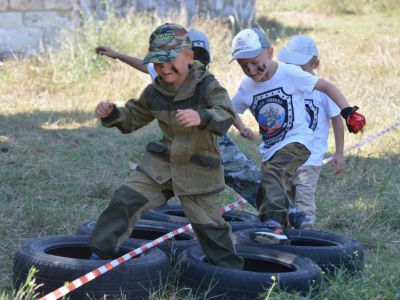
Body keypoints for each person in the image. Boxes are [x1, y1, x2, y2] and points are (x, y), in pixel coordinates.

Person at [89, 23, 244, 269]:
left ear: (189, 57)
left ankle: (234, 276)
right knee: (126, 199)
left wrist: (201, 117)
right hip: (162, 165)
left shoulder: (207, 85)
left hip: (198, 167)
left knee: (210, 229)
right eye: (158, 61)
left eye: (169, 60)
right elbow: (132, 118)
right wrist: (112, 114)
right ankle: (97, 257)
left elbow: (225, 113)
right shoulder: (155, 91)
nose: (163, 67)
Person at [95, 29, 261, 207]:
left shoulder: (205, 81)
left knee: (248, 177)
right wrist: (116, 55)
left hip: (213, 140)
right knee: (153, 182)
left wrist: (242, 127)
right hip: (179, 143)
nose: (196, 62)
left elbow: (225, 109)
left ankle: (283, 215)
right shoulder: (166, 72)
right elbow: (143, 65)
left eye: (201, 58)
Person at [229, 28, 366, 243]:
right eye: (244, 66)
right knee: (268, 187)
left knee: (275, 174)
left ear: (270, 52)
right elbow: (229, 109)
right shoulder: (247, 86)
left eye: (255, 63)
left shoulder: (289, 73)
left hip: (298, 141)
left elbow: (327, 86)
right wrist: (241, 127)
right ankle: (287, 225)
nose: (252, 70)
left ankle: (277, 225)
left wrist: (348, 111)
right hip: (271, 149)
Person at [277, 35, 346, 229]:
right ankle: (285, 236)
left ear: (316, 63)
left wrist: (339, 153)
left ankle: (306, 241)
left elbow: (337, 121)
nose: (298, 73)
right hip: (285, 156)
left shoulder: (324, 91)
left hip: (310, 159)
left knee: (304, 202)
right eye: (293, 67)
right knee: (284, 200)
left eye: (302, 68)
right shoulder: (285, 85)